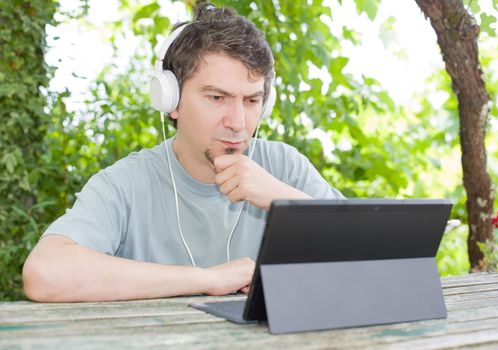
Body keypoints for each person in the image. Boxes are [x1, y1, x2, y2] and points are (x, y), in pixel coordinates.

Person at [22, 3, 345, 302]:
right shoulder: (126, 184)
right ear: (171, 99)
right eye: (217, 98)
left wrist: (285, 202)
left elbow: (376, 255)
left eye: (251, 101)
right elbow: (46, 273)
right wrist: (206, 279)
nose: (238, 123)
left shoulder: (284, 167)